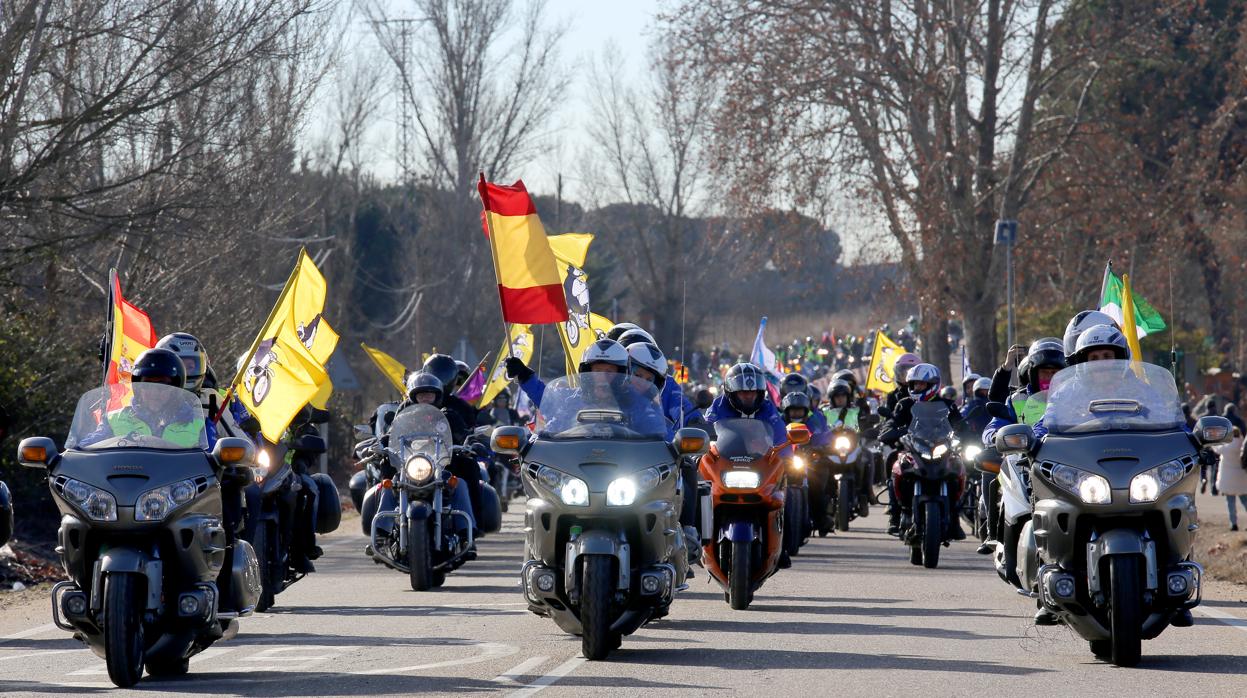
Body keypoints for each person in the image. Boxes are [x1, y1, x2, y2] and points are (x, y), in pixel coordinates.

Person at [705, 362, 792, 567]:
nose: (749, 397)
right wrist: (699, 450)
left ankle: (784, 546)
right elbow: (706, 431)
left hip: (758, 465)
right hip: (726, 465)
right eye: (743, 393)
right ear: (731, 392)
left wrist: (786, 456)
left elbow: (780, 434)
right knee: (696, 490)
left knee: (785, 494)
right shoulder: (718, 407)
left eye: (753, 393)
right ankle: (692, 538)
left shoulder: (768, 408)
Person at [879, 363, 966, 537]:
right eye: (914, 384)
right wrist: (891, 430)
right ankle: (896, 515)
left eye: (921, 384)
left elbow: (960, 425)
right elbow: (893, 422)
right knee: (896, 466)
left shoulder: (947, 405)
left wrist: (968, 436)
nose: (917, 387)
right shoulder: (904, 404)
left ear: (933, 384)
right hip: (913, 449)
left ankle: (955, 516)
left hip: (941, 448)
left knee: (959, 468)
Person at [81, 348, 215, 448]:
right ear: (138, 388)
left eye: (163, 385)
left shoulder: (198, 425)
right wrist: (68, 456)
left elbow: (214, 463)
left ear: (175, 389)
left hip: (181, 486)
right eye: (147, 384)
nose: (154, 392)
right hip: (125, 484)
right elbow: (85, 449)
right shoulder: (113, 420)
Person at [398, 371, 477, 534]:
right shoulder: (406, 417)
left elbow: (465, 435)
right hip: (412, 467)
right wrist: (378, 444)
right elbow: (390, 435)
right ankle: (381, 529)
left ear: (437, 396)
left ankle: (466, 530)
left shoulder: (449, 416)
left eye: (429, 394)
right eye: (421, 395)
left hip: (442, 467)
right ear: (414, 397)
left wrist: (471, 444)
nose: (425, 398)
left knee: (459, 483)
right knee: (390, 484)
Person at [982, 338, 1066, 446]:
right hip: (1025, 458)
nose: (1050, 377)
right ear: (1033, 374)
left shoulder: (1072, 396)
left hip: (1069, 457)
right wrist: (995, 435)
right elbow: (993, 427)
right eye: (1044, 372)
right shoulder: (1017, 399)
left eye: (1054, 372)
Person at [1219, 428, 1247, 530]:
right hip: (1241, 477)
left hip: (1228, 478)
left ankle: (1233, 523)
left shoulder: (1226, 446)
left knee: (1230, 502)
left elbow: (1216, 449)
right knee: (1245, 501)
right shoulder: (1242, 444)